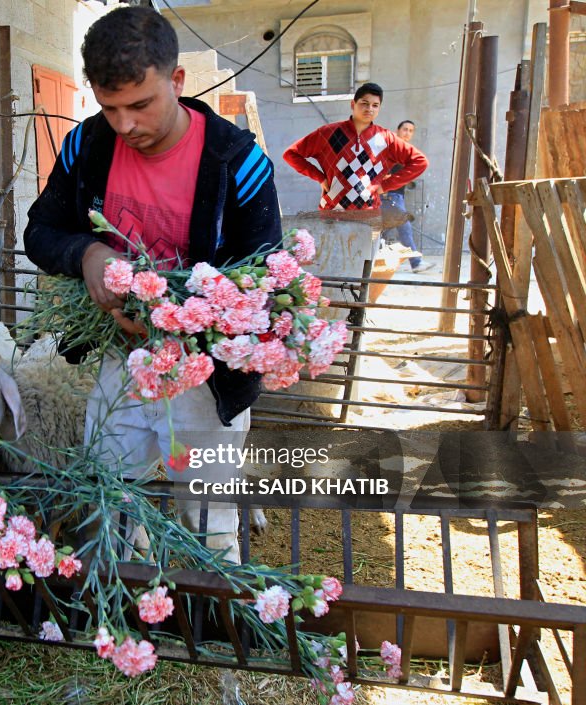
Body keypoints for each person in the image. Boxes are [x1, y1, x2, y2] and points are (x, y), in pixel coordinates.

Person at [23, 6, 283, 563]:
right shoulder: (87, 145)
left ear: (178, 82)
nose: (125, 125)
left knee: (210, 523)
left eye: (141, 104)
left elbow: (260, 288)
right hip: (119, 366)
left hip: (204, 381)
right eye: (109, 107)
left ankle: (218, 621)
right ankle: (119, 616)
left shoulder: (238, 164)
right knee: (108, 507)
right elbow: (40, 229)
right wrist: (87, 253)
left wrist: (173, 311)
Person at [282, 83, 427, 213]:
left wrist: (384, 186)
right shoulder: (328, 133)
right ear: (353, 104)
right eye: (364, 103)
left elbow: (420, 162)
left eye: (375, 105)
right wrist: (319, 177)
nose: (369, 109)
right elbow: (291, 154)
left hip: (368, 215)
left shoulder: (386, 138)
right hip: (332, 213)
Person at [381, 120, 433, 272]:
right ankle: (416, 263)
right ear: (397, 131)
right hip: (390, 195)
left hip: (397, 196)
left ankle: (368, 262)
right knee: (404, 227)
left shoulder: (406, 151)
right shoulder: (392, 148)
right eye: (405, 129)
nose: (407, 133)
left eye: (411, 131)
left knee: (380, 231)